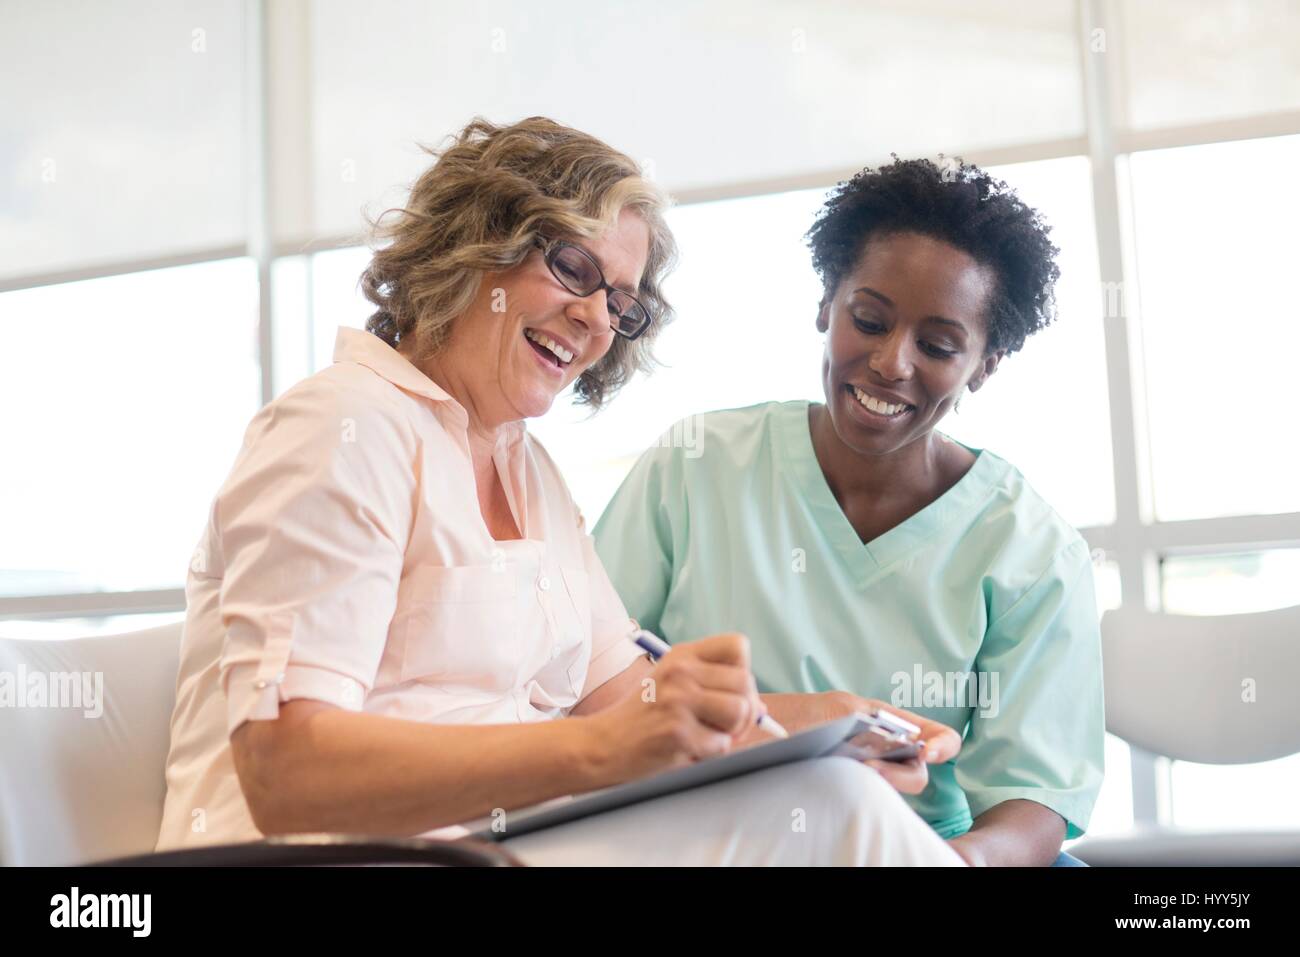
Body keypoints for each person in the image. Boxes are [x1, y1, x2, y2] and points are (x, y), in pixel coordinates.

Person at [156, 118, 965, 866]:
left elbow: (622, 694)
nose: (595, 318)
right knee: (832, 811)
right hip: (350, 855)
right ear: (475, 241)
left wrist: (823, 718)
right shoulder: (343, 426)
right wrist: (605, 750)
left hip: (504, 842)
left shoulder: (529, 469)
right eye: (573, 268)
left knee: (824, 787)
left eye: (620, 301)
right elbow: (285, 771)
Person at [594, 157, 1105, 866]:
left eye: (938, 345)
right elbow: (580, 676)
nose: (892, 363)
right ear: (825, 305)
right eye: (868, 319)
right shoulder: (695, 466)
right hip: (707, 837)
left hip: (922, 849)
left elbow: (1033, 802)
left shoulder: (1030, 550)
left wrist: (953, 863)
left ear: (984, 364)